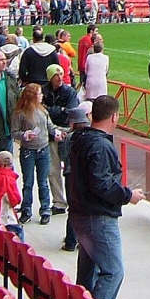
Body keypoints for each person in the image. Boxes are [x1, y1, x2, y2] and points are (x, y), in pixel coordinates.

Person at [66, 95, 144, 299]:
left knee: (87, 273)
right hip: (97, 216)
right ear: (114, 117)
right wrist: (128, 195)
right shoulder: (99, 146)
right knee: (113, 272)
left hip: (81, 213)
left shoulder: (80, 140)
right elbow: (101, 184)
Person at [12, 82, 61, 225]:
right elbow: (15, 132)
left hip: (43, 149)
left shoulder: (43, 111)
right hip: (28, 151)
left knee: (43, 182)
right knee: (28, 182)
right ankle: (26, 209)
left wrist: (58, 133)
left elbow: (50, 126)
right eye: (39, 94)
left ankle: (45, 209)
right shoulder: (20, 114)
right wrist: (25, 135)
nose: (42, 96)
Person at [41, 63, 78, 214]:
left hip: (67, 132)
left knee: (71, 169)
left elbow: (71, 112)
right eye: (56, 75)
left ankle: (74, 201)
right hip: (51, 132)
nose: (59, 78)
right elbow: (41, 112)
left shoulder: (70, 92)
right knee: (52, 170)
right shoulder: (43, 91)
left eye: (61, 74)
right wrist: (59, 110)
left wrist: (51, 111)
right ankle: (59, 203)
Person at [59, 102, 91, 252]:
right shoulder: (90, 137)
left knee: (73, 208)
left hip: (70, 174)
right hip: (84, 175)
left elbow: (63, 155)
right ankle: (82, 240)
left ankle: (71, 241)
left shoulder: (68, 138)